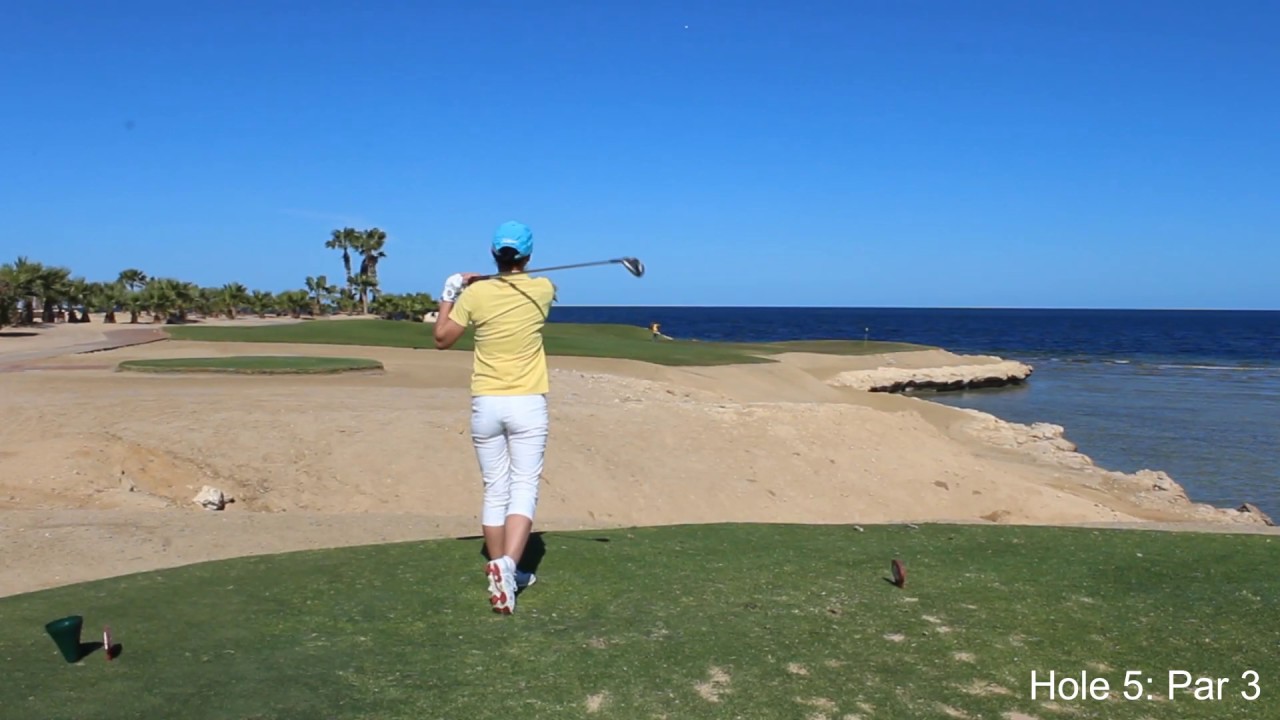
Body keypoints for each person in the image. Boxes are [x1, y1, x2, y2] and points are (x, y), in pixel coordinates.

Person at [433, 220, 557, 615]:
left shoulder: (475, 294)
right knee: (524, 486)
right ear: (529, 256)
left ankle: (501, 569)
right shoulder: (544, 288)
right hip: (527, 403)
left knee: (495, 489)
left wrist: (451, 291)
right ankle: (509, 567)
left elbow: (442, 338)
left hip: (486, 404)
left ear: (493, 253)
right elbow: (534, 287)